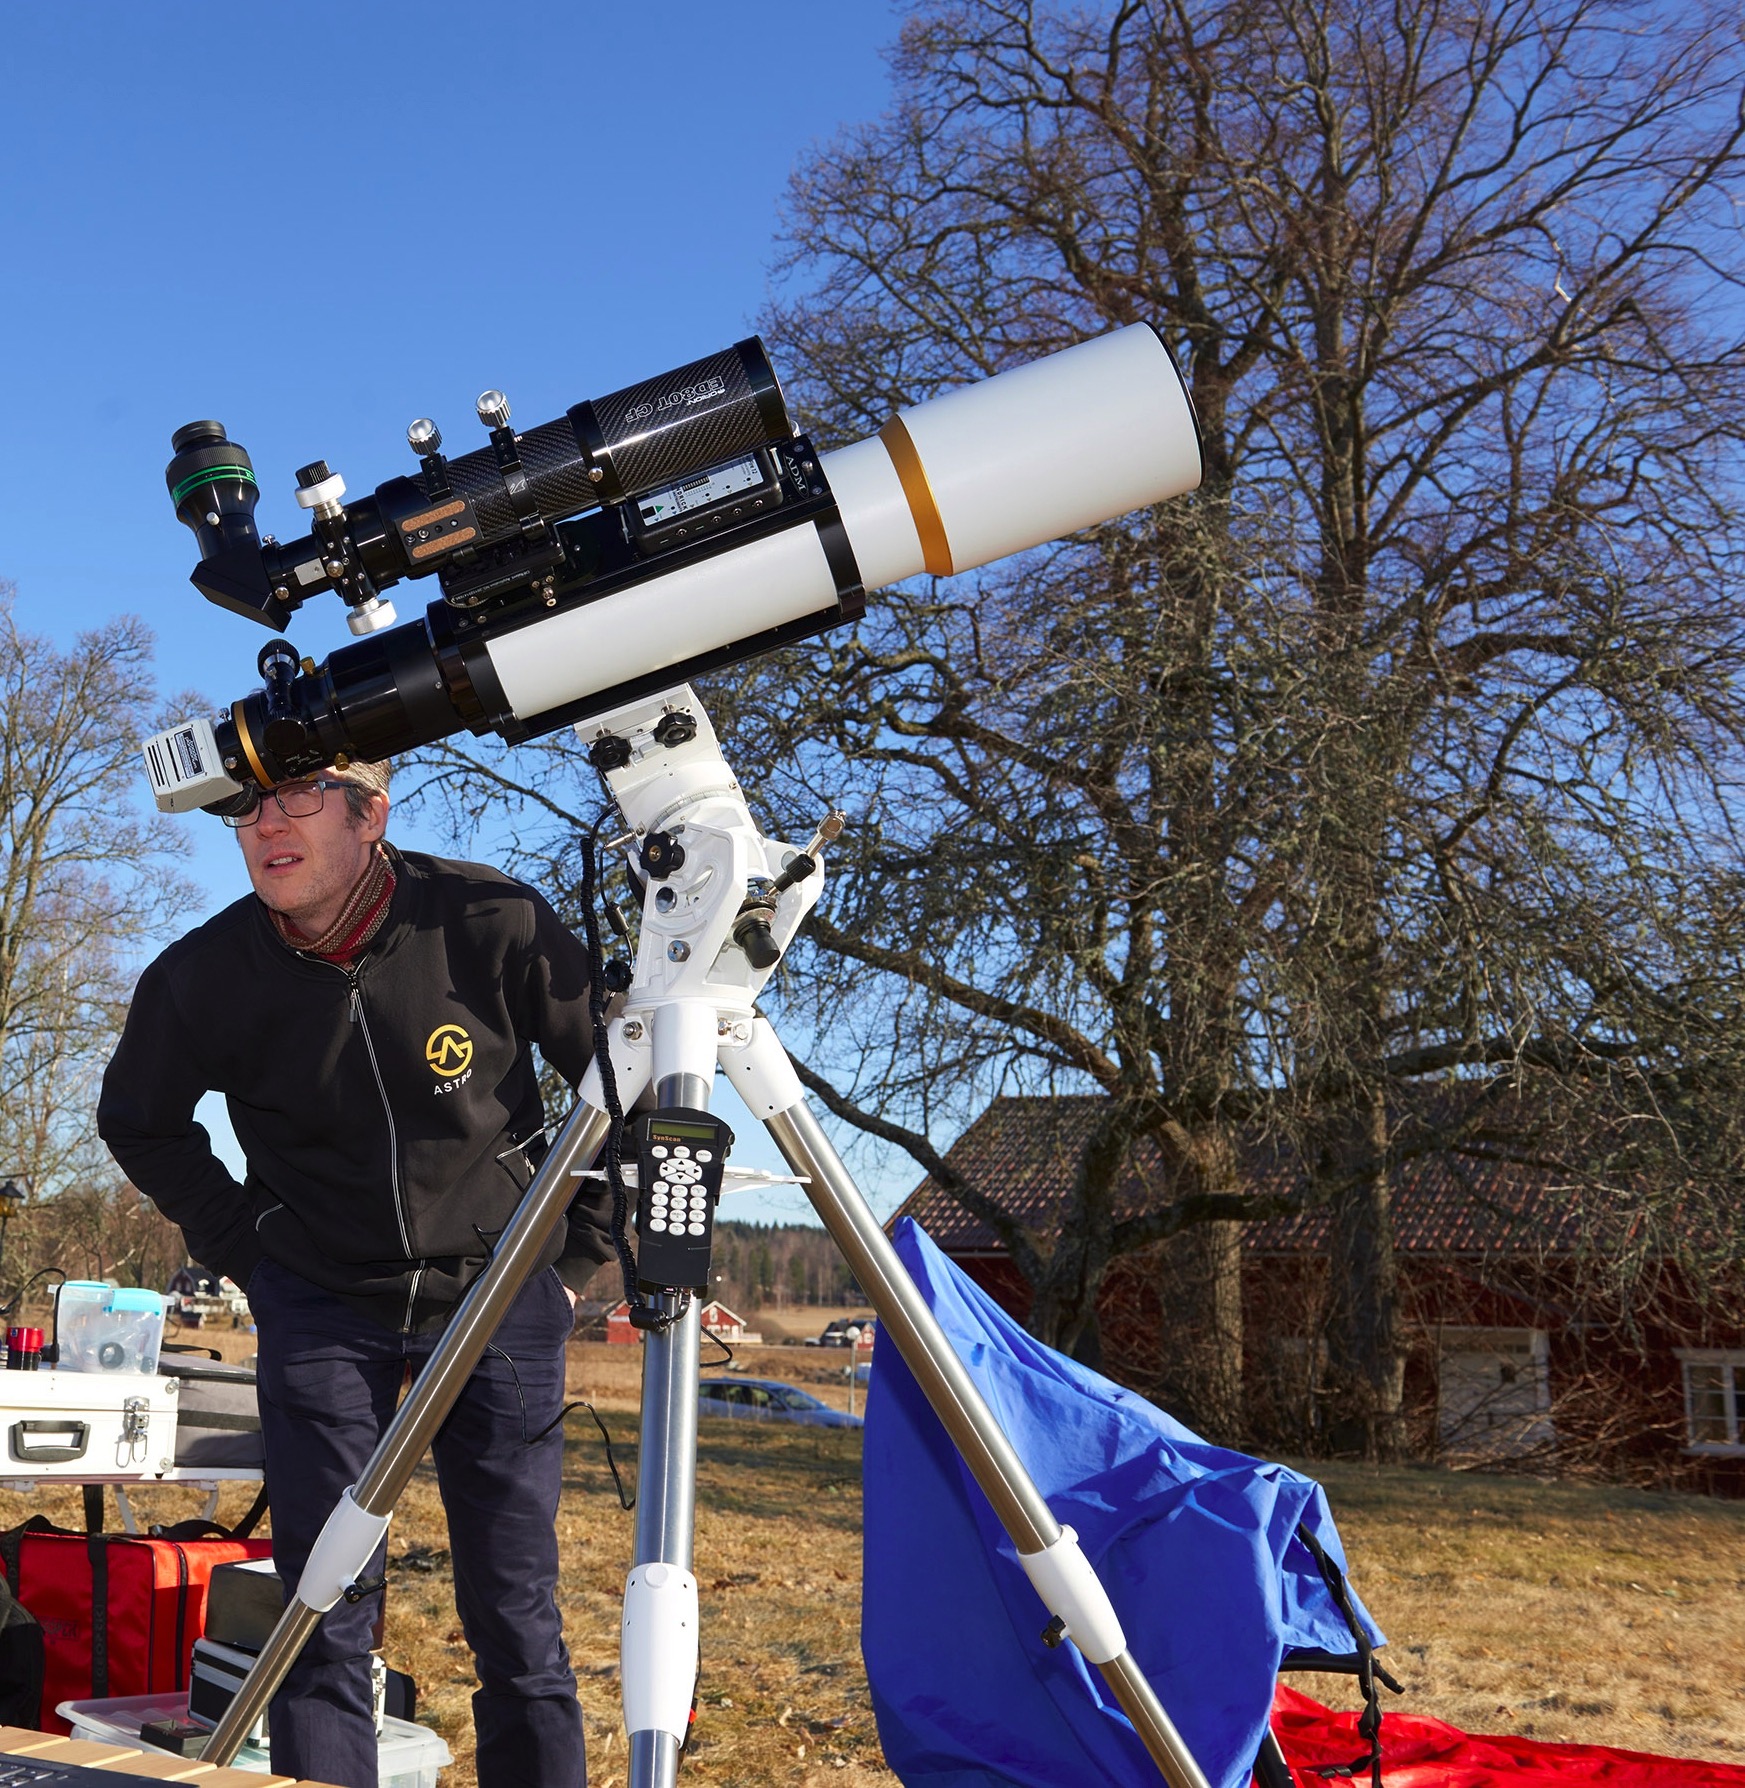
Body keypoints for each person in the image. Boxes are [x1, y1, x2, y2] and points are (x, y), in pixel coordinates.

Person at [98, 758, 610, 1788]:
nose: (263, 825)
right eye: (243, 807)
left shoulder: (491, 920)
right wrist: (251, 1253)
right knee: (321, 1612)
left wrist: (578, 1260)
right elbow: (137, 1122)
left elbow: (635, 1078)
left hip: (500, 1294)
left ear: (369, 814)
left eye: (295, 797)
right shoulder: (203, 976)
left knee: (514, 1614)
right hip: (325, 1309)